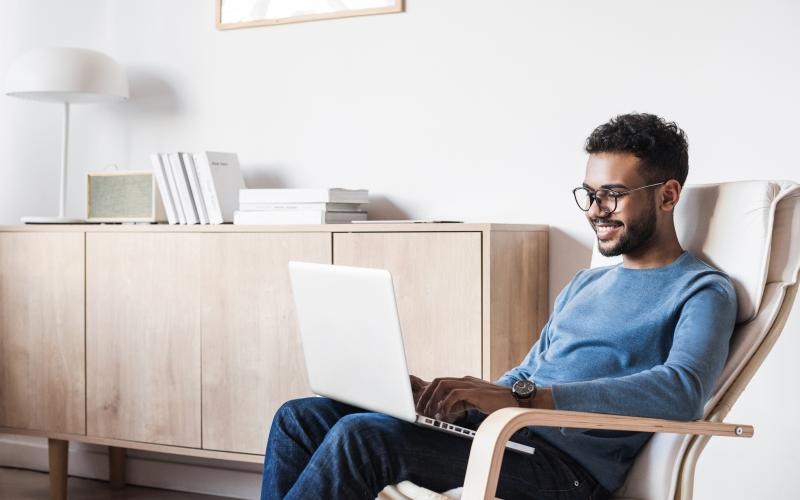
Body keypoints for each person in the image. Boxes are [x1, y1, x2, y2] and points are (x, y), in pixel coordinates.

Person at [259, 113, 738, 500]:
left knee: (362, 437)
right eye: (589, 194)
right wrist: (453, 401)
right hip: (507, 434)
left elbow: (682, 390)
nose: (594, 210)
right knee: (299, 417)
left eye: (612, 195)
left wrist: (525, 399)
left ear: (668, 195)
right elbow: (527, 374)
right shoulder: (585, 284)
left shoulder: (701, 290)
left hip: (563, 470)